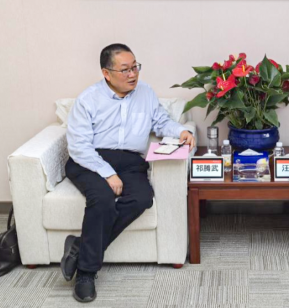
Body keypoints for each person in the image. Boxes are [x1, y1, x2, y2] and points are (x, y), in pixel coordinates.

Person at [61, 43, 195, 303]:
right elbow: (79, 147)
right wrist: (107, 173)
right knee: (102, 200)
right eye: (125, 70)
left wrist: (180, 131)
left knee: (142, 198)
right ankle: (86, 273)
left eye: (135, 67)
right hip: (90, 160)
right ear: (106, 73)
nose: (133, 74)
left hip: (130, 161)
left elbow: (160, 121)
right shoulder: (88, 99)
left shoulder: (145, 93)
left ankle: (80, 246)